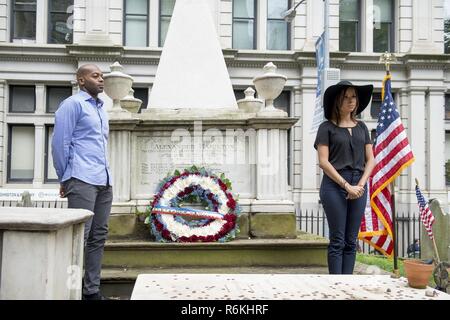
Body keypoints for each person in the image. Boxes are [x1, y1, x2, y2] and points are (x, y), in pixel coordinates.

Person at [52, 64, 113, 300]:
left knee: (99, 236)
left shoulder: (100, 108)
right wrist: (64, 176)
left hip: (103, 179)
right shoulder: (72, 105)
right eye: (95, 76)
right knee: (80, 238)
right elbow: (60, 143)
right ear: (80, 80)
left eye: (102, 76)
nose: (101, 80)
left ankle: (91, 291)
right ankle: (72, 292)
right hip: (81, 178)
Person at [314, 80, 375, 274]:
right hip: (334, 185)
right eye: (346, 97)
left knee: (351, 240)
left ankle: (348, 285)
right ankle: (336, 286)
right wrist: (347, 186)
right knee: (338, 239)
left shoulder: (362, 127)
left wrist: (360, 185)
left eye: (354, 97)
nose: (351, 101)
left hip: (359, 185)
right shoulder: (326, 128)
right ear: (337, 102)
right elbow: (324, 161)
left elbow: (371, 159)